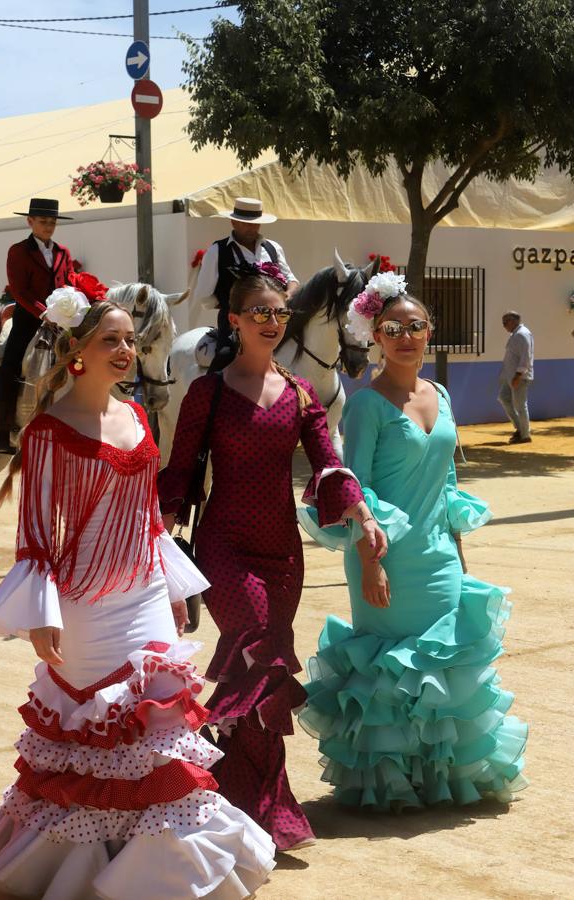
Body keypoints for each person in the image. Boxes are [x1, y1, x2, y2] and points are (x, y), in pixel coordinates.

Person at [0, 292, 276, 899]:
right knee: (91, 739)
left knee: (159, 731)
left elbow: (148, 515)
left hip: (142, 591)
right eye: (109, 340)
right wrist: (41, 616)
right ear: (75, 351)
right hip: (82, 606)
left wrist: (171, 590)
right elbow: (35, 537)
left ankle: (165, 871)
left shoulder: (138, 415)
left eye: (129, 340)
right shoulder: (46, 430)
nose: (125, 351)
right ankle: (83, 869)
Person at [158, 263, 386, 850]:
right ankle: (250, 809)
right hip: (224, 548)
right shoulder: (207, 393)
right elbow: (181, 472)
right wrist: (161, 531)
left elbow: (329, 463)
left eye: (278, 312)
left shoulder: (302, 393)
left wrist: (361, 515)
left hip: (283, 555)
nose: (270, 320)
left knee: (262, 673)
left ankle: (235, 804)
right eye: (258, 311)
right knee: (257, 654)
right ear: (233, 319)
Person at [297, 272, 528, 810]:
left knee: (445, 668)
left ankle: (441, 778)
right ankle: (391, 785)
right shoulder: (365, 405)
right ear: (375, 335)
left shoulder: (441, 394)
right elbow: (357, 491)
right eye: (392, 327)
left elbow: (447, 483)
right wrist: (369, 563)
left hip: (440, 557)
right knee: (392, 672)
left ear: (430, 331)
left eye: (414, 325)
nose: (404, 335)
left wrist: (459, 553)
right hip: (384, 560)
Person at [0, 198, 76, 454]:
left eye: (52, 222)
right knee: (11, 362)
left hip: (61, 320)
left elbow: (71, 281)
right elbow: (19, 290)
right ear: (30, 222)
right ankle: (3, 430)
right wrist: (44, 314)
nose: (48, 226)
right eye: (43, 221)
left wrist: (74, 306)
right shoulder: (18, 251)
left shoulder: (63, 252)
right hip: (29, 319)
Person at [193, 197, 299, 371]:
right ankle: (213, 392)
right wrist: (229, 306)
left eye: (255, 223)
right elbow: (204, 296)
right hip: (235, 323)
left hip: (274, 318)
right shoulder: (217, 251)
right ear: (233, 222)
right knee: (224, 356)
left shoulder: (273, 248)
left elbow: (292, 280)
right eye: (245, 223)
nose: (251, 228)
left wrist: (286, 295)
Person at [498, 310, 534, 445]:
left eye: (505, 322)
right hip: (511, 376)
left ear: (513, 321)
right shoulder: (516, 334)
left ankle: (524, 435)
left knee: (520, 405)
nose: (504, 325)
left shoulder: (522, 335)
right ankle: (520, 428)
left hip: (519, 376)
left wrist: (518, 375)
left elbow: (526, 357)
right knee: (504, 398)